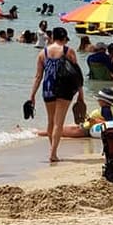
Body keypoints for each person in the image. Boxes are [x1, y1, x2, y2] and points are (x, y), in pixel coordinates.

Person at [27, 26, 84, 162]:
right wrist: (81, 94)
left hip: (48, 87)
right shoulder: (68, 51)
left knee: (51, 120)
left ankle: (52, 149)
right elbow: (76, 74)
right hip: (64, 88)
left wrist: (32, 95)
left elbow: (38, 76)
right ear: (64, 38)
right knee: (59, 122)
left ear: (52, 37)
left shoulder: (43, 53)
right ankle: (53, 154)